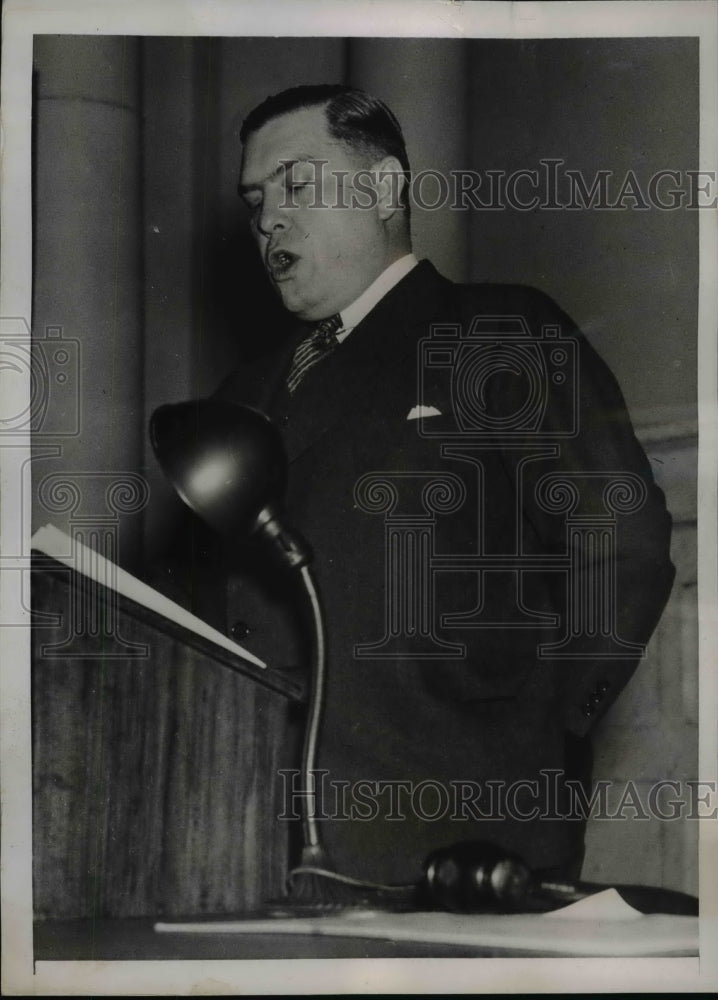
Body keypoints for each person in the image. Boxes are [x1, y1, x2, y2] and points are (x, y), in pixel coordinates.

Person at [212, 85, 675, 886]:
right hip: (238, 834)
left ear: (385, 187)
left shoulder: (499, 332)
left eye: (296, 182)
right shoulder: (238, 396)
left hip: (452, 842)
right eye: (256, 200)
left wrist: (541, 740)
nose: (269, 219)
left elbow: (621, 547)